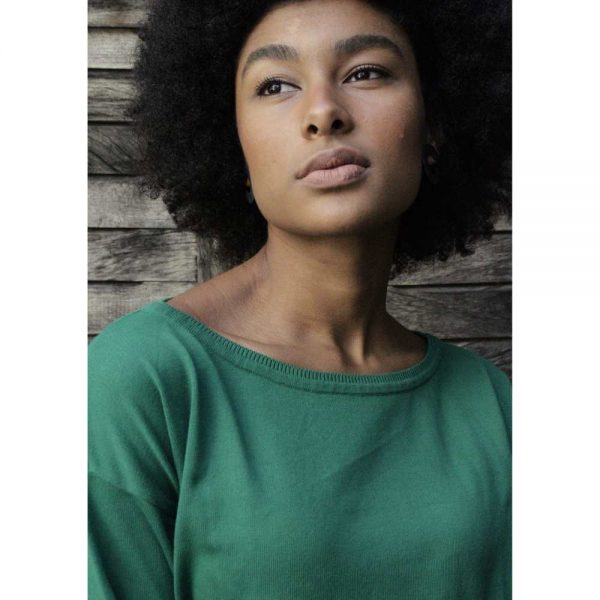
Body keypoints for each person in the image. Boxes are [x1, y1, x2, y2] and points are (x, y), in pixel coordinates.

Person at [88, 0, 511, 598]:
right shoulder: (143, 380)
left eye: (366, 72)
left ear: (434, 126)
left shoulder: (494, 406)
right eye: (275, 85)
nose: (323, 113)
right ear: (235, 147)